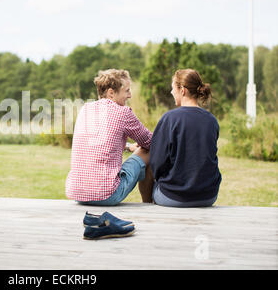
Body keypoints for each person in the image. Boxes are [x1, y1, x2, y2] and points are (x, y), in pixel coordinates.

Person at [65, 69, 153, 206]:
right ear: (111, 93)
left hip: (77, 194)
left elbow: (99, 142)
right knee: (147, 151)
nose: (130, 95)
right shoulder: (123, 112)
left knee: (140, 149)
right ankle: (149, 203)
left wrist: (129, 147)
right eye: (127, 91)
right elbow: (150, 142)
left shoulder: (85, 109)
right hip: (106, 195)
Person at [144, 69, 222, 207]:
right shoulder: (212, 120)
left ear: (183, 90)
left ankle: (148, 206)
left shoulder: (170, 118)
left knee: (146, 163)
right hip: (208, 196)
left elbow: (156, 162)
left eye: (173, 88)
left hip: (173, 197)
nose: (171, 92)